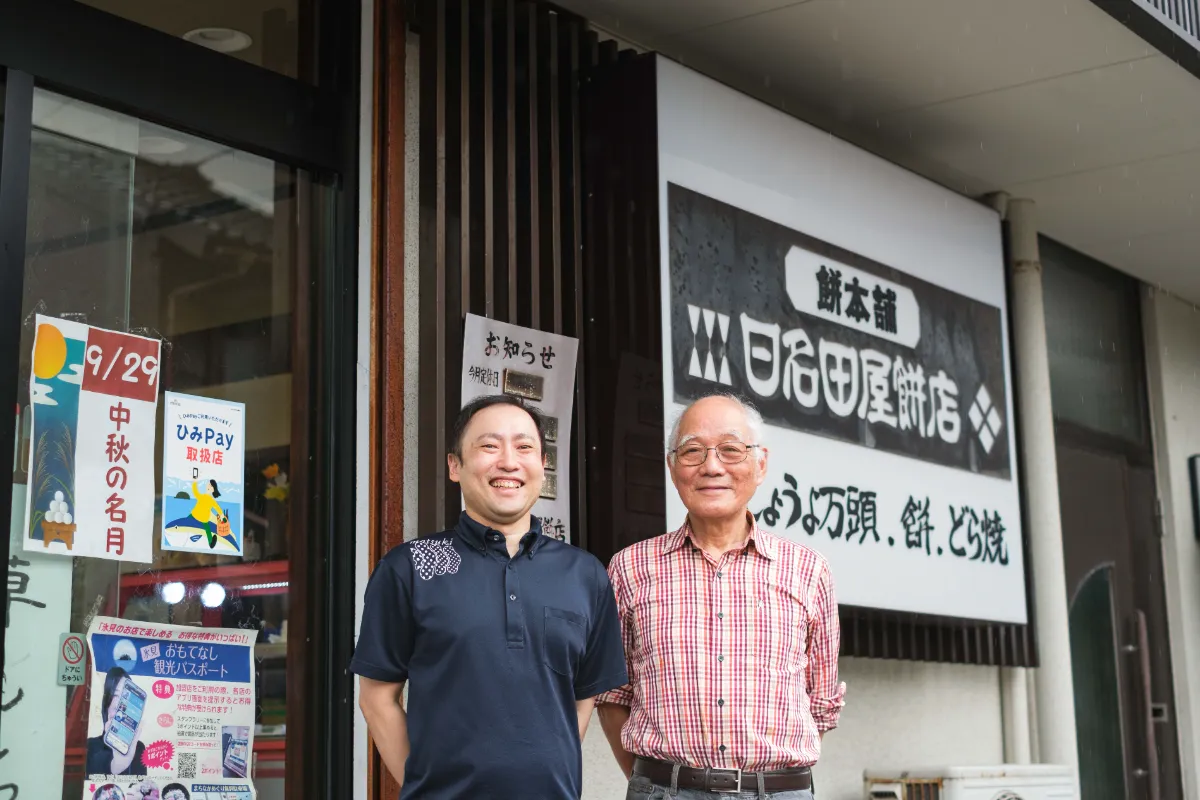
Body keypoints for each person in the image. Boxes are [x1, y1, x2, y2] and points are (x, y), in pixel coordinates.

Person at [351, 395, 628, 799]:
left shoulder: (584, 573)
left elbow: (584, 694)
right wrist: (426, 787)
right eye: (489, 446)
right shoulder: (411, 566)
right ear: (454, 465)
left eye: (524, 447)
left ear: (542, 465)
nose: (509, 462)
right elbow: (377, 700)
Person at [597, 393, 846, 800]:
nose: (712, 466)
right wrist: (658, 784)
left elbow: (821, 702)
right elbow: (612, 696)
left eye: (731, 450)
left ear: (760, 463)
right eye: (693, 451)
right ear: (673, 466)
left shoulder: (808, 569)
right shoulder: (629, 568)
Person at [85, 667, 148, 777]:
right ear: (107, 701)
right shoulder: (91, 746)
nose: (120, 704)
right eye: (115, 695)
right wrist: (116, 766)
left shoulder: (140, 749)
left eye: (125, 696)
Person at [164, 478, 226, 549]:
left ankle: (211, 542)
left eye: (211, 486)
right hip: (194, 515)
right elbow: (195, 492)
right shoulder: (201, 496)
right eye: (208, 484)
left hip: (203, 519)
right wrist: (194, 482)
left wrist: (222, 515)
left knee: (207, 530)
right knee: (185, 521)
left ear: (213, 489)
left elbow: (217, 508)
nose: (209, 487)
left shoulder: (212, 501)